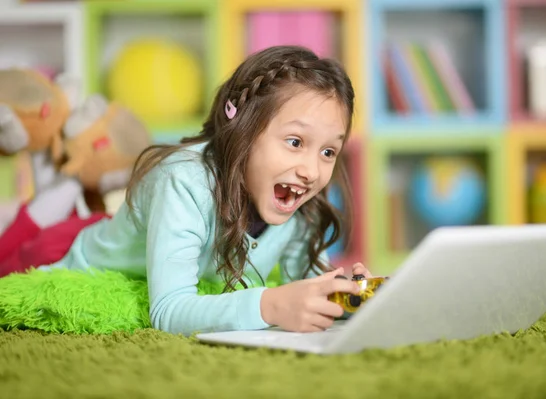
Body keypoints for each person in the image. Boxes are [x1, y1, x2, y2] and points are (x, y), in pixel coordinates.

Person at [34, 45, 373, 335]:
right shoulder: (184, 180)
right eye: (295, 142)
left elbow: (306, 287)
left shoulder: (300, 201)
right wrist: (269, 305)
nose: (311, 171)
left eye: (328, 152)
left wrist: (346, 295)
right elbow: (168, 311)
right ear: (241, 129)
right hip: (75, 262)